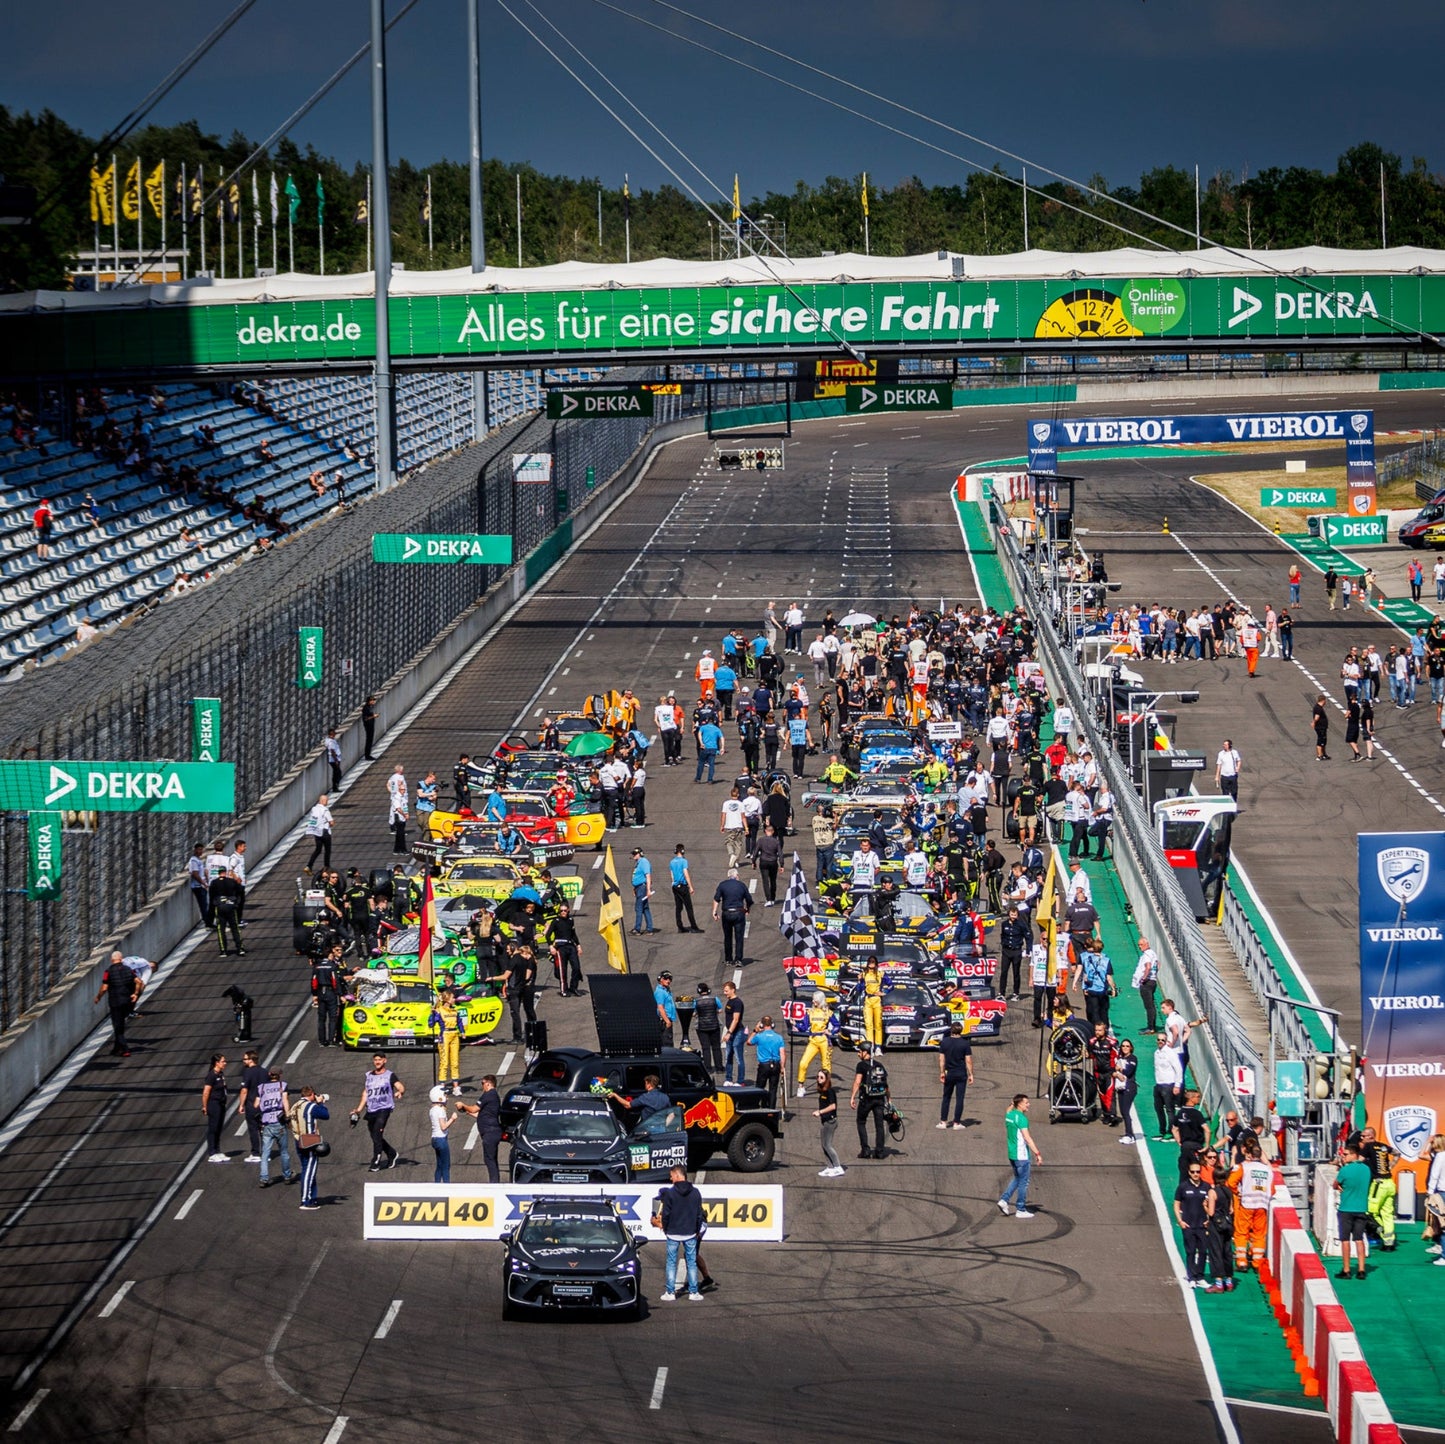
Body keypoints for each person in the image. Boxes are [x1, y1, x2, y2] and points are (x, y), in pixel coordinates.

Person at [655, 1166, 705, 1302]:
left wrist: (666, 1229)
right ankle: (693, 1292)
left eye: (671, 1176)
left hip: (673, 1233)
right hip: (690, 1233)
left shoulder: (670, 1193)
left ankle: (670, 1292)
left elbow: (666, 1214)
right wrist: (696, 1230)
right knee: (691, 1262)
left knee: (671, 1262)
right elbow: (699, 1215)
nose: (671, 1179)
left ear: (677, 1175)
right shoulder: (695, 1193)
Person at [1227, 1141, 1274, 1272]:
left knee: (1241, 1232)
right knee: (1259, 1234)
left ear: (1249, 1155)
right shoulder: (1268, 1170)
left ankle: (1241, 1261)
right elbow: (1273, 1189)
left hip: (1246, 1203)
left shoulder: (1244, 1167)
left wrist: (1238, 1192)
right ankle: (1257, 1262)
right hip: (1262, 1205)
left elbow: (1231, 1182)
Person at [354, 1053, 404, 1171]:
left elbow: (400, 1086)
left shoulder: (390, 1075)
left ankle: (376, 1162)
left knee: (377, 1133)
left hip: (384, 1108)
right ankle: (391, 1153)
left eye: (379, 1060)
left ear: (384, 1061)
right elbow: (365, 1093)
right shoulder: (369, 1076)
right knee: (375, 1135)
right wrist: (359, 1109)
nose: (377, 1062)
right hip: (371, 1109)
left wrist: (399, 1092)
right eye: (375, 1060)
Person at [455, 1075, 505, 1182]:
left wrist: (463, 1104)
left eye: (482, 1083)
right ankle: (495, 1182)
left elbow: (474, 1109)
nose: (482, 1086)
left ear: (488, 1083)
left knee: (489, 1159)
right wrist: (466, 1111)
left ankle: (494, 1184)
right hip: (492, 1132)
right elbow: (480, 1114)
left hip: (490, 1132)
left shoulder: (488, 1095)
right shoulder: (493, 1096)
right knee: (491, 1159)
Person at [997, 1094, 1041, 1218]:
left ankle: (1004, 1200)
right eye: (1026, 1102)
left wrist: (1012, 1104)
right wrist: (1037, 1153)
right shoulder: (1022, 1119)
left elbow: (1008, 1110)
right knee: (1024, 1182)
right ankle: (1020, 1208)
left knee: (1017, 1178)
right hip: (1021, 1155)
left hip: (1012, 1154)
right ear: (1020, 1104)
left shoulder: (1009, 1115)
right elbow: (1027, 1138)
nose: (1028, 1105)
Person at [288, 1085, 331, 1210]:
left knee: (308, 1169)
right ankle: (305, 1200)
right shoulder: (311, 1106)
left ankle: (312, 1198)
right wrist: (321, 1102)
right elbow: (325, 1115)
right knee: (309, 1171)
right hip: (309, 1141)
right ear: (311, 1094)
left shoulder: (295, 1105)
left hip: (298, 1140)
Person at [1334, 1143, 1373, 1279]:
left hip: (1346, 1209)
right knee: (1359, 1239)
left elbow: (1335, 1183)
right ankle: (1361, 1270)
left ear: (1353, 1154)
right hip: (1361, 1208)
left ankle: (1346, 1270)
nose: (1343, 1157)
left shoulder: (1345, 1170)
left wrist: (1339, 1186)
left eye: (1345, 1154)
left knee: (1345, 1240)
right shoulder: (1366, 1170)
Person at [1357, 1126, 1398, 1250]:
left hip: (1378, 1184)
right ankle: (1389, 1243)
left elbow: (1358, 1162)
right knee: (1387, 1214)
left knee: (1369, 1212)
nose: (1361, 1137)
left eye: (1364, 1136)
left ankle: (1385, 1234)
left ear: (1370, 1136)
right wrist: (1391, 1165)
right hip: (1389, 1183)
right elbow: (1397, 1153)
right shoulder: (1383, 1146)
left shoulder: (1368, 1147)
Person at [94, 952, 140, 1058]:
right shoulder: (128, 969)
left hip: (115, 1002)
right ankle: (116, 1048)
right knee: (120, 1024)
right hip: (127, 1001)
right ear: (121, 959)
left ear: (111, 960)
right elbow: (139, 981)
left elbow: (105, 987)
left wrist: (98, 997)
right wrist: (135, 994)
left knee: (117, 1025)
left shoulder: (108, 971)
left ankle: (125, 1049)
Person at [1175, 1158, 1211, 1288]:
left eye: (1198, 1171)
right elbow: (1176, 1203)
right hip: (1189, 1225)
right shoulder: (1183, 1187)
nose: (1196, 1174)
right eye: (1193, 1172)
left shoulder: (1206, 1187)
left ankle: (1200, 1276)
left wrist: (1209, 1219)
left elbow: (1211, 1204)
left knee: (1202, 1251)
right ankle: (1191, 1276)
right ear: (1189, 1173)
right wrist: (1180, 1220)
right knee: (1190, 1252)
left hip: (1202, 1225)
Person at [256, 1068, 296, 1188]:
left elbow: (256, 1104)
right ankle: (287, 1176)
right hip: (278, 1121)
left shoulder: (261, 1087)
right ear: (279, 1075)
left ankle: (264, 1178)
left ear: (269, 1074)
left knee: (265, 1153)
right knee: (283, 1151)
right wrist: (288, 1116)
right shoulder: (282, 1085)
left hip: (266, 1122)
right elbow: (285, 1101)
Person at [851, 1043, 889, 1160]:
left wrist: (852, 1097)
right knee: (879, 1125)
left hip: (866, 1099)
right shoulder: (879, 1065)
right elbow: (886, 1085)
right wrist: (889, 1099)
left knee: (861, 1122)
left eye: (860, 1051)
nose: (858, 1054)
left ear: (865, 1052)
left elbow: (857, 1082)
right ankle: (880, 1151)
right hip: (879, 1099)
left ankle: (865, 1150)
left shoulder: (861, 1065)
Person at [936, 1021, 975, 1129]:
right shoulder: (965, 1043)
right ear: (961, 1031)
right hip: (961, 1073)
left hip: (949, 1073)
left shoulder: (945, 1042)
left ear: (951, 1030)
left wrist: (942, 1072)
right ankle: (956, 1123)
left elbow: (941, 1059)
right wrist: (971, 1074)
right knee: (960, 1098)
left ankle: (943, 1121)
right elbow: (968, 1061)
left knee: (946, 1097)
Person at [796, 990, 835, 1097]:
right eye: (813, 999)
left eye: (815, 1000)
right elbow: (804, 1027)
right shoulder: (810, 1012)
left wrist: (831, 1031)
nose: (813, 1001)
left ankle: (826, 1086)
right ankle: (801, 1086)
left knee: (826, 1066)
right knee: (803, 1063)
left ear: (820, 1001)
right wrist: (796, 1025)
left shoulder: (828, 1012)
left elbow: (837, 1025)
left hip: (824, 1040)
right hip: (813, 1040)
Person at [429, 988, 466, 1096]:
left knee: (455, 1061)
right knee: (444, 1062)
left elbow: (459, 1022)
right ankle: (442, 1087)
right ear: (447, 999)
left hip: (455, 1035)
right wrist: (432, 1014)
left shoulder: (455, 1010)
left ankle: (456, 1087)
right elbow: (431, 1024)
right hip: (444, 1035)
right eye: (452, 998)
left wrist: (462, 1032)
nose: (454, 999)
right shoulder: (439, 1010)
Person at [712, 867, 751, 965]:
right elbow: (749, 899)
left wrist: (714, 911)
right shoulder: (742, 885)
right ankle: (738, 959)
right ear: (736, 876)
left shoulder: (722, 885)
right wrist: (747, 909)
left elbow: (717, 899)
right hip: (738, 913)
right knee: (739, 937)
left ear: (728, 876)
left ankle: (728, 959)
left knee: (727, 936)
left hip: (727, 913)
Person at [235, 1048, 268, 1162]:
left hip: (251, 1104)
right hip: (264, 1105)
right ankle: (266, 1152)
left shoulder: (248, 1072)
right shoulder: (264, 1072)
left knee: (253, 1129)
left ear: (251, 1060)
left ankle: (255, 1153)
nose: (243, 1061)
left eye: (245, 1059)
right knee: (263, 1129)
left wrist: (241, 1105)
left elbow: (244, 1090)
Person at [1151, 1031, 1184, 1140]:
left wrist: (1177, 1085)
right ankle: (1162, 1130)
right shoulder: (1156, 1053)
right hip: (1159, 1084)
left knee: (1169, 1109)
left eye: (1162, 1040)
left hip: (1169, 1084)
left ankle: (1171, 1131)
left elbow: (1178, 1069)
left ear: (1166, 1041)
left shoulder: (1170, 1053)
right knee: (1158, 1108)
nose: (1160, 1042)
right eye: (1158, 1040)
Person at [747, 1014, 784, 1105]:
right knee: (773, 1089)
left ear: (762, 1025)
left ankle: (756, 1106)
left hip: (764, 1065)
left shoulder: (759, 1036)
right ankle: (771, 1110)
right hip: (775, 1065)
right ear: (772, 1025)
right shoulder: (779, 1037)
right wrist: (782, 1067)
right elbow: (782, 1053)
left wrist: (755, 1030)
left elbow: (748, 1042)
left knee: (759, 1088)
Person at [815, 1068, 845, 1177]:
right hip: (825, 1121)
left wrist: (820, 1112)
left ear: (827, 1079)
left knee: (828, 1145)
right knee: (824, 1145)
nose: (819, 1079)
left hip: (831, 1121)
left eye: (821, 1077)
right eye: (818, 1077)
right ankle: (830, 1167)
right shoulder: (823, 1091)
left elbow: (833, 1106)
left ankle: (838, 1166)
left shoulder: (830, 1091)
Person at [203, 1054, 229, 1163]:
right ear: (217, 1063)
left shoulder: (220, 1074)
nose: (225, 1063)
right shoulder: (211, 1076)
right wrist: (205, 1106)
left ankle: (218, 1150)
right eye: (223, 1061)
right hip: (214, 1104)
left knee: (218, 1127)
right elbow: (206, 1092)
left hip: (221, 1103)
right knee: (213, 1128)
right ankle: (212, 1152)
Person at [670, 844, 702, 933]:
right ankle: (694, 927)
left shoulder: (672, 862)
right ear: (682, 851)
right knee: (689, 907)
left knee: (678, 907)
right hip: (683, 886)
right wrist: (691, 886)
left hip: (675, 886)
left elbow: (672, 875)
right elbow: (686, 874)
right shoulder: (684, 861)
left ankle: (680, 927)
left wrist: (673, 883)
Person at [428, 1085, 456, 1183]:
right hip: (441, 1140)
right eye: (445, 1094)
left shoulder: (432, 1110)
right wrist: (452, 1119)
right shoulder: (440, 1110)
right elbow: (443, 1126)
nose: (447, 1097)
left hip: (435, 1139)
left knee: (439, 1164)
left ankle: (437, 1184)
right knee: (446, 1165)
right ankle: (446, 1186)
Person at [1114, 1038, 1140, 1143]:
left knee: (1125, 1111)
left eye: (1127, 1046)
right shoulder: (1119, 1058)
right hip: (1121, 1087)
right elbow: (1112, 1070)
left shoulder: (1133, 1058)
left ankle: (1130, 1135)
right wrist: (1115, 1073)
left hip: (1130, 1087)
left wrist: (1119, 1069)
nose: (1125, 1048)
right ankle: (1128, 1134)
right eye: (1123, 1046)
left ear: (1131, 1048)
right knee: (1123, 1112)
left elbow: (1128, 1071)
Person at [1132, 937, 1160, 1033]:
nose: (1140, 947)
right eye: (1139, 945)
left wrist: (1144, 978)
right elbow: (1158, 965)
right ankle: (1152, 1025)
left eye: (1141, 945)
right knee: (1151, 1005)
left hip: (1147, 982)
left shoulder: (1147, 955)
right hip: (1153, 981)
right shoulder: (1153, 954)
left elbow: (1147, 966)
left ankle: (1150, 1027)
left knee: (1149, 1006)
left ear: (1146, 944)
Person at [693, 982, 723, 1072]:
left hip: (702, 1027)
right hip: (714, 1025)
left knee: (705, 1048)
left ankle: (708, 1068)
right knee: (716, 1047)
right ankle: (719, 1068)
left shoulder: (696, 1001)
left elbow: (693, 1013)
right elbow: (720, 1010)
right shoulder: (715, 999)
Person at [304, 794, 334, 871]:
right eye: (326, 801)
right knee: (327, 850)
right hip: (325, 832)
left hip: (317, 832)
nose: (327, 802)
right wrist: (330, 824)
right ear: (323, 801)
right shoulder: (325, 810)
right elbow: (331, 822)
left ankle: (309, 866)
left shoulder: (314, 809)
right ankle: (326, 866)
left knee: (318, 849)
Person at [654, 971, 678, 1044]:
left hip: (667, 1019)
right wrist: (667, 1021)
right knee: (667, 1043)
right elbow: (660, 1007)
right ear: (661, 979)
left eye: (670, 979)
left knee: (668, 1041)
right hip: (664, 1021)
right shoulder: (660, 992)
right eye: (666, 978)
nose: (668, 981)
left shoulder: (666, 991)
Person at [362, 695, 378, 759]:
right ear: (369, 701)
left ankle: (368, 755)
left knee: (370, 740)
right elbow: (365, 719)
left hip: (371, 725)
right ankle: (367, 756)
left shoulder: (369, 707)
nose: (374, 701)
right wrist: (373, 716)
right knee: (369, 740)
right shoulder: (366, 708)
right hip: (368, 726)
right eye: (372, 700)